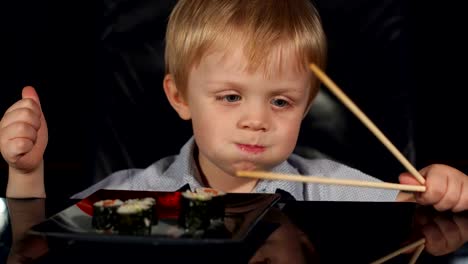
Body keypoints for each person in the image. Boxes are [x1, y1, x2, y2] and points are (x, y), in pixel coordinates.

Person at [1, 0, 467, 212]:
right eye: (230, 96)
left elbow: (417, 206)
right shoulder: (136, 193)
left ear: (306, 107)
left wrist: (446, 192)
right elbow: (41, 244)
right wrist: (26, 173)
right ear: (179, 97)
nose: (256, 120)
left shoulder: (331, 190)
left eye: (282, 101)